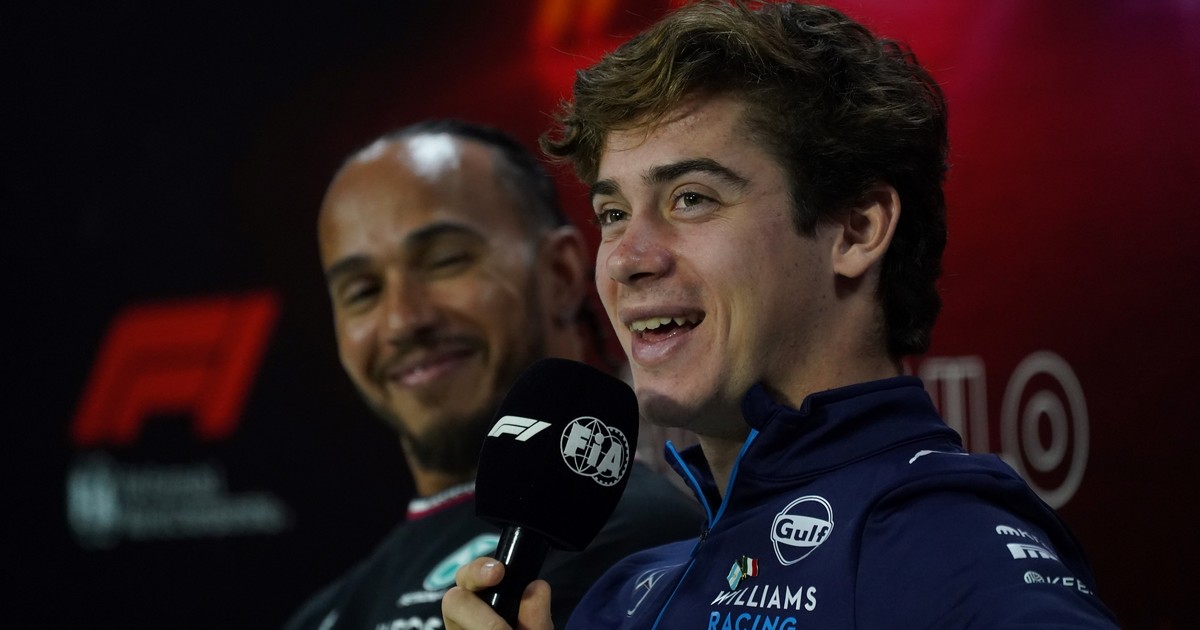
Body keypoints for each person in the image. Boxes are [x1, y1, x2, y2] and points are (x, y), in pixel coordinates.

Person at [443, 2, 1119, 628]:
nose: (626, 259)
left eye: (691, 198)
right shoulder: (623, 597)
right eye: (613, 213)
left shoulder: (942, 543)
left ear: (856, 229)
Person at [285, 119, 703, 630]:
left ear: (561, 275)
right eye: (362, 291)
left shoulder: (645, 543)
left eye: (445, 262)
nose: (402, 321)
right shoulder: (323, 612)